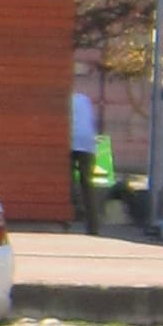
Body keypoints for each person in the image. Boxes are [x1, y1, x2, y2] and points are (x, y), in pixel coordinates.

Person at [70, 72, 100, 234]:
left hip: (71, 141)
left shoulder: (66, 101)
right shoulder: (84, 100)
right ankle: (93, 226)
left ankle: (73, 213)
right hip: (88, 144)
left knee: (67, 182)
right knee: (88, 184)